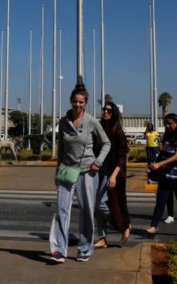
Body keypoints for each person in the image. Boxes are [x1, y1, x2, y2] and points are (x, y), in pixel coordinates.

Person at [49, 84, 111, 263]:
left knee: (86, 211)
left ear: (85, 103)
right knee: (61, 210)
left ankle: (85, 249)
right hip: (67, 172)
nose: (77, 104)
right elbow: (61, 148)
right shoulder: (63, 122)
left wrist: (98, 162)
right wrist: (57, 171)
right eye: (75, 101)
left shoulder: (91, 121)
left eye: (81, 102)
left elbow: (106, 143)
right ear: (71, 102)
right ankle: (59, 250)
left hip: (87, 173)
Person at [145, 113, 177, 238]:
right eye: (166, 124)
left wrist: (160, 163)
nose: (167, 126)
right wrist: (155, 168)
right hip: (166, 174)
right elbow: (164, 154)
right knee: (161, 201)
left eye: (170, 124)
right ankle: (153, 227)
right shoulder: (167, 136)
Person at [94, 102, 132, 248]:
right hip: (98, 169)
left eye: (109, 111)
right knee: (97, 206)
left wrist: (114, 175)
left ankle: (124, 225)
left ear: (114, 113)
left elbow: (122, 156)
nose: (105, 112)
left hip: (111, 170)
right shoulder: (100, 128)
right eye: (104, 110)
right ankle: (102, 238)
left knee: (100, 203)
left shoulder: (117, 132)